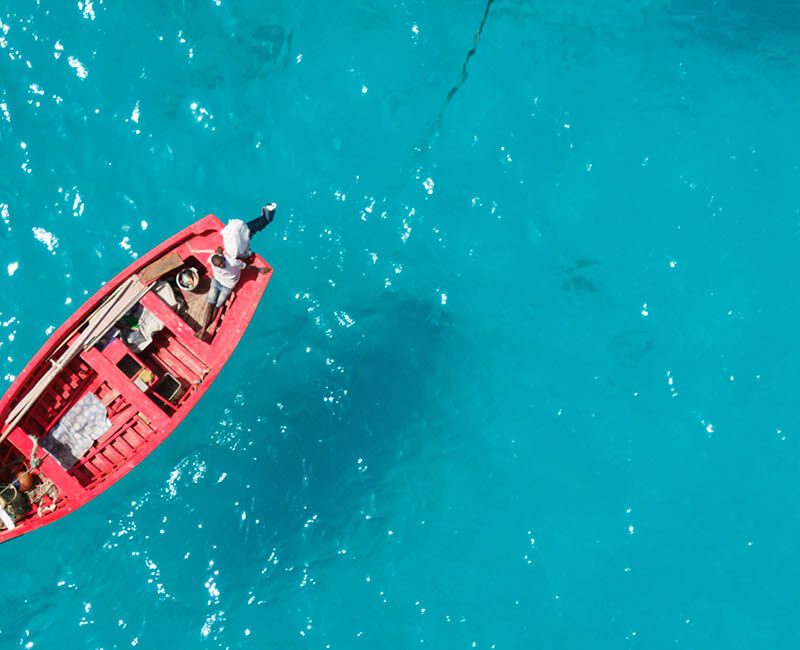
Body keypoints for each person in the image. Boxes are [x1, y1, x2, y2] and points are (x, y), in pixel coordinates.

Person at [195, 251, 269, 340]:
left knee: (217, 306)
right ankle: (203, 330)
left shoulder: (232, 262)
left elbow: (247, 267)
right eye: (219, 265)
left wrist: (259, 270)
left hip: (226, 286)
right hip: (218, 282)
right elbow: (246, 266)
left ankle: (203, 330)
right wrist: (259, 270)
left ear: (223, 258)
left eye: (222, 263)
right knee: (210, 305)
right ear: (215, 264)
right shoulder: (215, 259)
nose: (222, 266)